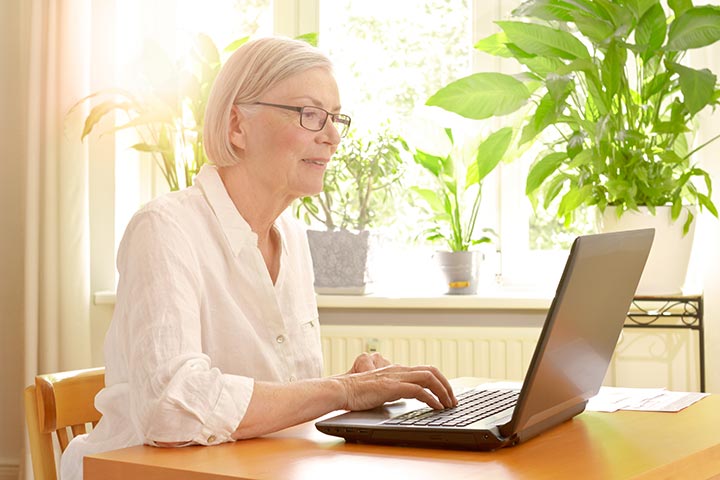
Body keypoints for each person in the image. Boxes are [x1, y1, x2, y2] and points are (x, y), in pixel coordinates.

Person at [60, 36, 456, 480]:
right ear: (237, 126)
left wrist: (353, 385)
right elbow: (172, 409)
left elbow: (278, 401)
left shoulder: (292, 236)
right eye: (310, 115)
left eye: (335, 118)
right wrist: (343, 390)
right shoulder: (164, 229)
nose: (333, 136)